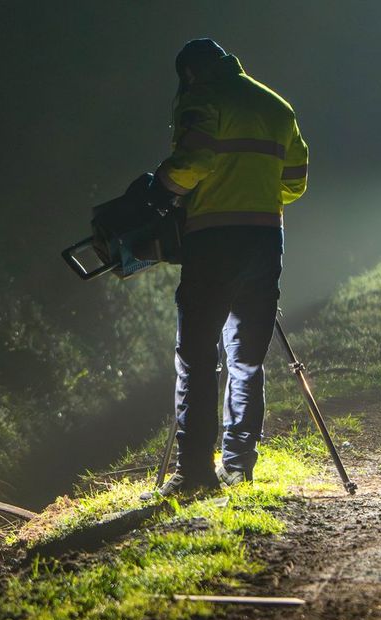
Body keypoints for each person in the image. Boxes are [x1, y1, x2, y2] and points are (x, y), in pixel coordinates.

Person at [148, 38, 308, 497]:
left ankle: (195, 472)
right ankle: (240, 467)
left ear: (190, 74)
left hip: (214, 240)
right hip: (264, 240)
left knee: (197, 356)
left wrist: (162, 187)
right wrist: (256, 195)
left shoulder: (204, 98)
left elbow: (193, 161)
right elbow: (295, 183)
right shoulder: (277, 106)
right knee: (247, 358)